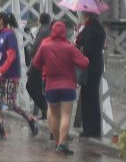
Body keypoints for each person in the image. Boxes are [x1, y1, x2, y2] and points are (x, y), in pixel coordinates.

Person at [31, 21, 88, 154]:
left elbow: (36, 63)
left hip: (51, 85)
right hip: (68, 86)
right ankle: (62, 143)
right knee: (66, 115)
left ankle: (57, 142)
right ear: (64, 32)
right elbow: (84, 62)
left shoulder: (45, 45)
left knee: (55, 116)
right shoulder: (69, 47)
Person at [0, 11, 39, 140]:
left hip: (10, 75)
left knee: (10, 103)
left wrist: (1, 71)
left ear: (1, 21)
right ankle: (1, 130)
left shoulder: (10, 35)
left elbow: (11, 56)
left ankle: (30, 119)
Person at [75, 11, 106, 138]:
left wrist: (79, 34)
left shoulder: (89, 29)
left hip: (89, 67)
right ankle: (96, 128)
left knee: (87, 98)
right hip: (98, 65)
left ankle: (89, 129)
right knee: (94, 98)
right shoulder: (100, 28)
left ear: (86, 16)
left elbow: (84, 46)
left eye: (82, 15)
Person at [25, 12, 52, 120]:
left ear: (40, 21)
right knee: (42, 88)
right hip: (48, 63)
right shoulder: (49, 30)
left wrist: (31, 52)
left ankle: (45, 109)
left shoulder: (42, 31)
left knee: (30, 86)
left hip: (39, 64)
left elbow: (34, 48)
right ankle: (46, 111)